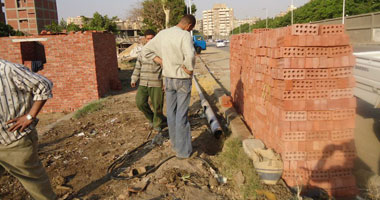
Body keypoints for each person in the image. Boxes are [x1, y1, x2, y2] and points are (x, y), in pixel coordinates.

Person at [0, 59, 56, 200]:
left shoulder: (8, 70)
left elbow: (44, 85)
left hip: (12, 140)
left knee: (34, 182)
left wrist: (30, 116)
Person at [141, 15, 196, 159]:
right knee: (181, 115)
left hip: (169, 79)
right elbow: (190, 55)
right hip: (182, 79)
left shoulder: (163, 34)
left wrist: (161, 61)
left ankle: (176, 145)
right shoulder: (184, 35)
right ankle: (183, 152)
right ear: (189, 26)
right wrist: (189, 69)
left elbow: (145, 51)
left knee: (171, 113)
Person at [131, 29, 167, 133]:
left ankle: (158, 123)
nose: (150, 40)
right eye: (148, 38)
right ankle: (152, 119)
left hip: (156, 83)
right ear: (145, 39)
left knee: (158, 106)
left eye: (152, 38)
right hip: (143, 83)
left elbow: (165, 67)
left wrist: (165, 82)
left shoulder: (160, 52)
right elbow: (138, 66)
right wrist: (134, 79)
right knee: (140, 103)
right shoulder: (143, 52)